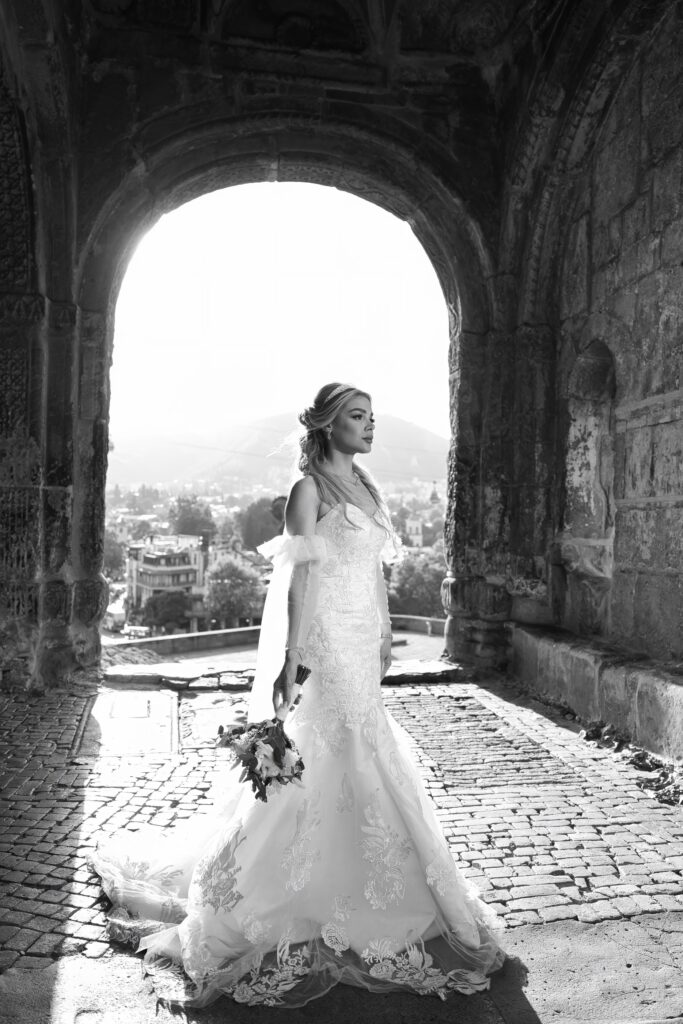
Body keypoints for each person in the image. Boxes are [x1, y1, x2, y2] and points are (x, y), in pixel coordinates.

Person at [89, 383, 506, 1008]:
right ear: (327, 424)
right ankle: (280, 893)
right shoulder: (307, 488)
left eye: (373, 418)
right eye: (358, 418)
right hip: (323, 640)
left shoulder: (368, 486)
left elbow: (374, 571)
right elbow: (298, 579)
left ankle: (378, 886)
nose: (370, 428)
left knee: (369, 747)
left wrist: (386, 633)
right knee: (327, 752)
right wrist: (291, 661)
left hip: (363, 638)